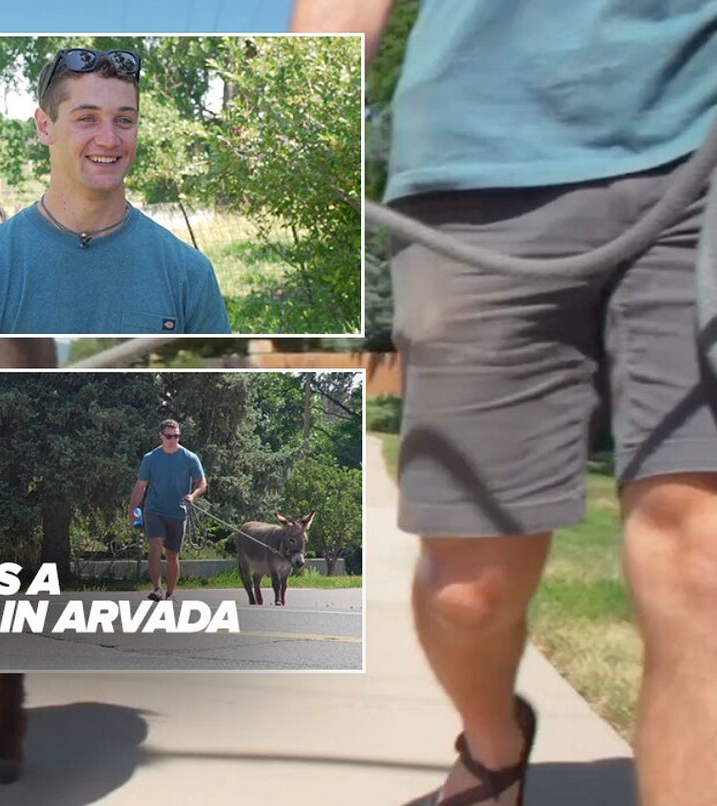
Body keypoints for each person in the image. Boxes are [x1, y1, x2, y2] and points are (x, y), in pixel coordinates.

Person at [292, 2, 717, 805]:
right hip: (475, 163)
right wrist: (309, 106)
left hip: (700, 148)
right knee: (468, 589)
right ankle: (495, 746)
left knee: (701, 557)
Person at [0, 47, 233, 335]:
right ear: (45, 126)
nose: (109, 139)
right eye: (87, 119)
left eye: (124, 119)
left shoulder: (188, 276)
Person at [129, 419, 208, 602]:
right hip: (154, 509)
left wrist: (193, 496)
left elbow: (202, 483)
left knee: (172, 554)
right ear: (161, 437)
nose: (174, 439)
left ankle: (171, 592)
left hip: (178, 512)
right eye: (170, 436)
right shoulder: (151, 458)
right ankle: (157, 589)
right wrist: (132, 509)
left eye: (177, 436)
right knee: (155, 546)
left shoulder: (190, 458)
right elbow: (141, 485)